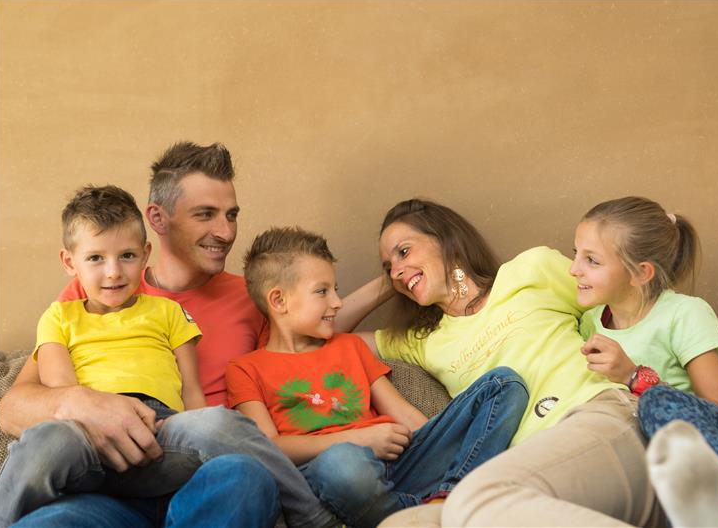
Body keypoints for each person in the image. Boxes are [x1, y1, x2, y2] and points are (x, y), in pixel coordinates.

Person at [0, 142, 385, 528]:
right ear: (158, 217)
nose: (225, 232)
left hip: (199, 478)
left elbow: (318, 329)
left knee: (246, 476)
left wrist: (390, 281)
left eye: (231, 215)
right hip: (103, 493)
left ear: (143, 252)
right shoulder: (89, 295)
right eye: (205, 214)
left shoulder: (251, 297)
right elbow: (15, 407)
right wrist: (85, 404)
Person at [363, 198, 665, 527]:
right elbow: (326, 334)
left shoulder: (531, 270)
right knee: (402, 523)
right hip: (523, 468)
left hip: (596, 413)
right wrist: (394, 280)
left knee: (474, 499)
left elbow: (630, 307)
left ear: (445, 239)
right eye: (388, 266)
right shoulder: (422, 342)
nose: (395, 269)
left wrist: (652, 383)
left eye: (404, 251)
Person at [225, 226, 528, 528]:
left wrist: (438, 441)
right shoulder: (246, 369)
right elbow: (271, 448)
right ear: (279, 301)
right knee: (342, 462)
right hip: (331, 476)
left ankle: (446, 497)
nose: (337, 302)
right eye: (322, 291)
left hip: (398, 465)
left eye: (335, 289)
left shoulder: (349, 346)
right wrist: (358, 440)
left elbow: (408, 418)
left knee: (503, 383)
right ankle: (414, 514)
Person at [567, 196, 718, 528]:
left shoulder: (684, 314)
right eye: (576, 254)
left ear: (641, 273)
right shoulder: (590, 324)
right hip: (679, 467)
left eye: (592, 260)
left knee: (657, 402)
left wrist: (633, 376)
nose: (573, 269)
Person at [0, 184, 207, 524]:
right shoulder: (59, 316)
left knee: (223, 432)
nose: (113, 272)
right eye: (96, 258)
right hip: (87, 427)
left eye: (127, 256)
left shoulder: (168, 311)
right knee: (49, 439)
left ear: (145, 254)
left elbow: (192, 390)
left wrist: (198, 430)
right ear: (69, 262)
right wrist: (89, 414)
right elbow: (61, 387)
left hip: (158, 425)